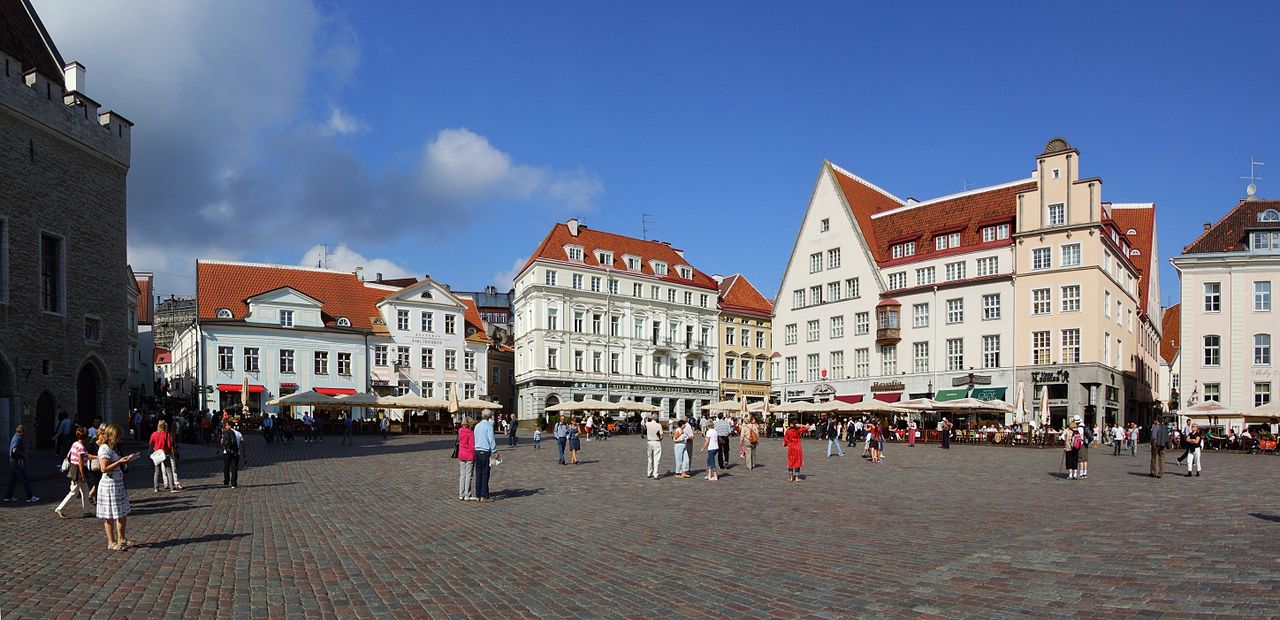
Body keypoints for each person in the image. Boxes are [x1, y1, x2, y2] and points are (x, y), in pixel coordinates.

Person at [94, 424, 136, 551]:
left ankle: (122, 538)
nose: (119, 439)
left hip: (117, 483)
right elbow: (104, 468)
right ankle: (111, 541)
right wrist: (119, 462)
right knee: (110, 514)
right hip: (109, 486)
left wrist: (124, 460)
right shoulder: (104, 449)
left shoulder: (113, 448)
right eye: (118, 437)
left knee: (122, 513)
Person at [55, 426, 91, 518]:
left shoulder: (75, 444)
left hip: (74, 468)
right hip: (78, 471)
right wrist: (83, 476)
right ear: (86, 437)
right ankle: (60, 508)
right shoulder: (81, 448)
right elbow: (81, 463)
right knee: (74, 492)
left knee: (85, 490)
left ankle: (87, 511)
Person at [4, 425, 37, 503]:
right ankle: (30, 497)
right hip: (18, 462)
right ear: (22, 432)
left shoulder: (15, 436)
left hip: (14, 461)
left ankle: (8, 496)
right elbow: (14, 450)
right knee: (25, 479)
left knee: (13, 479)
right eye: (24, 431)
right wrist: (23, 455)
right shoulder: (18, 438)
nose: (25, 433)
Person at [473, 411, 497, 502]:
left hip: (477, 450)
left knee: (478, 473)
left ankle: (478, 494)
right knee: (485, 473)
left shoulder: (477, 426)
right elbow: (491, 439)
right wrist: (494, 450)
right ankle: (484, 495)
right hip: (485, 451)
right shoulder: (488, 426)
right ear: (489, 416)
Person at [149, 420, 176, 493]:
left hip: (157, 454)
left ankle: (156, 487)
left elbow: (151, 443)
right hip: (165, 453)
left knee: (156, 472)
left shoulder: (154, 434)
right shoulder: (167, 434)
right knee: (168, 471)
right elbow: (169, 445)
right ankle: (172, 488)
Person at [456, 417, 476, 501]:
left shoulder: (460, 431)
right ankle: (467, 494)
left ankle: (461, 494)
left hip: (461, 454)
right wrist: (475, 455)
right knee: (468, 475)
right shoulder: (470, 433)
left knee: (462, 475)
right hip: (469, 455)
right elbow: (472, 446)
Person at [220, 420, 243, 488]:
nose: (225, 426)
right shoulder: (238, 433)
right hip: (236, 452)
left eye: (226, 425)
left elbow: (222, 442)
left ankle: (226, 481)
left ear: (229, 426)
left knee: (226, 466)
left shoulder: (225, 433)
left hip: (226, 452)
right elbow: (242, 443)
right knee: (234, 468)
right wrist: (243, 453)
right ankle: (234, 483)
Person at [644, 415, 663, 479]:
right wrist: (660, 440)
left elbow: (645, 420)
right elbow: (661, 435)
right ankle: (655, 474)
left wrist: (648, 417)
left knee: (649, 458)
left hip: (649, 441)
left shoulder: (648, 424)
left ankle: (649, 472)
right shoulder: (659, 425)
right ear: (657, 418)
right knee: (656, 459)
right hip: (656, 442)